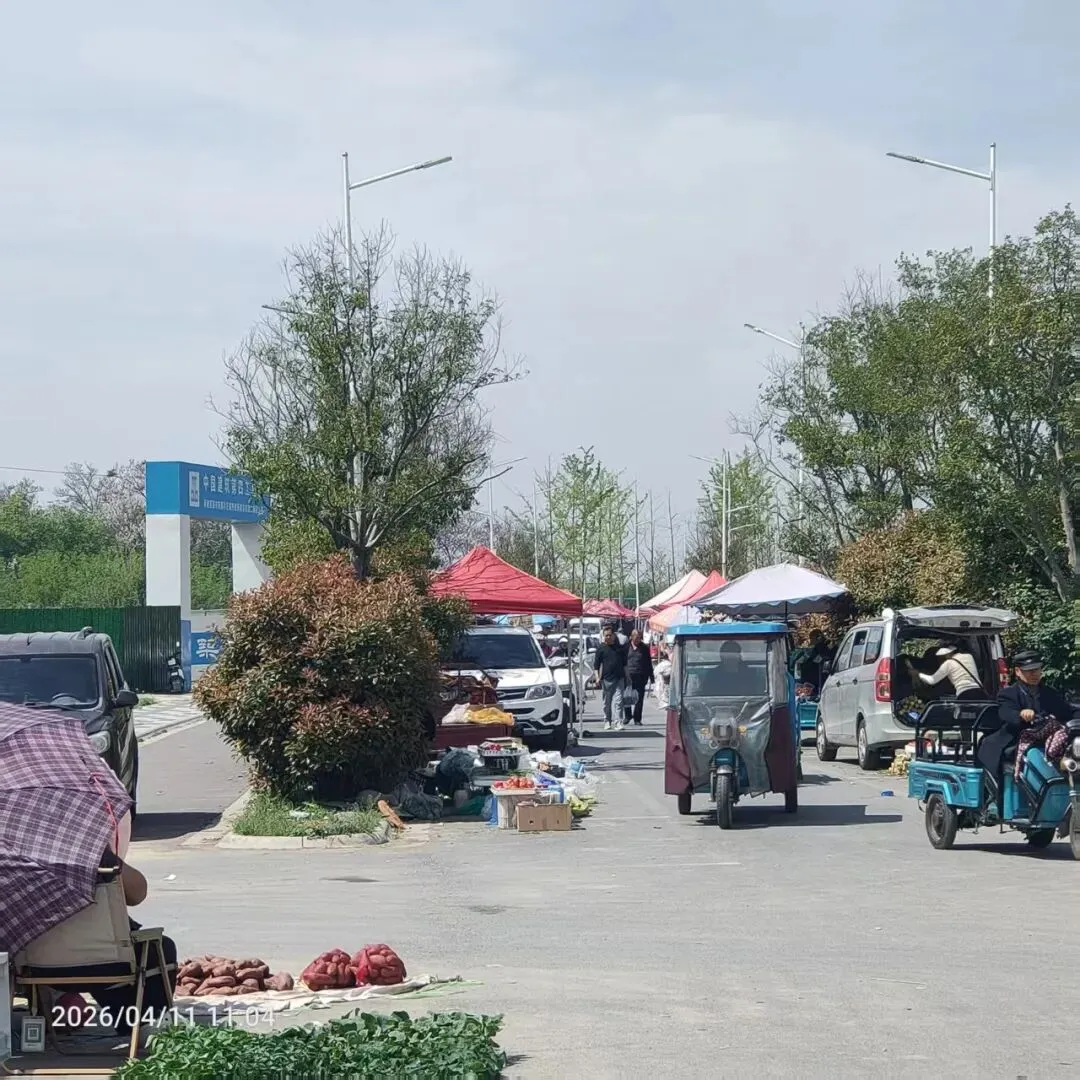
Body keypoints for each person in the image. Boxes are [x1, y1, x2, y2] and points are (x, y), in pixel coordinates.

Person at [999, 649, 1072, 781]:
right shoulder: (1008, 694)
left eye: (1037, 669)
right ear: (1018, 671)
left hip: (1048, 738)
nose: (1035, 674)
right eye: (1029, 670)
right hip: (1016, 738)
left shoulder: (1050, 693)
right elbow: (1006, 713)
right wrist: (1021, 714)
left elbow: (1067, 711)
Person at [906, 644, 985, 701]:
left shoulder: (948, 663)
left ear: (947, 654)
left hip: (964, 694)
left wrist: (917, 674)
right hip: (979, 692)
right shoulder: (969, 656)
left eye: (942, 656)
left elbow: (932, 680)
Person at [593, 625, 628, 731]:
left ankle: (618, 722)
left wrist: (628, 677)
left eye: (609, 635)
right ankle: (607, 721)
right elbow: (596, 666)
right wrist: (597, 677)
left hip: (619, 678)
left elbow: (625, 665)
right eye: (606, 635)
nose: (608, 637)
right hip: (607, 679)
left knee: (619, 701)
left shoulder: (620, 648)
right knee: (607, 702)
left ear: (613, 635)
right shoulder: (601, 648)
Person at [623, 628, 654, 726]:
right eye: (636, 638)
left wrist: (651, 677)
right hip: (627, 676)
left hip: (641, 676)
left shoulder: (644, 648)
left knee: (639, 698)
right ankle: (628, 715)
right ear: (631, 637)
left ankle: (637, 718)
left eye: (640, 638)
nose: (638, 640)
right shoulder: (626, 647)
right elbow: (622, 661)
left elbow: (648, 663)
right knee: (626, 697)